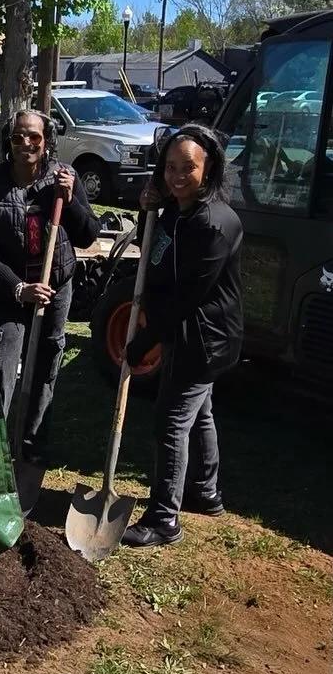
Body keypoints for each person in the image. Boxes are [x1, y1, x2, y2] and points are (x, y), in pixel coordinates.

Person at [122, 124, 243, 548]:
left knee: (171, 423)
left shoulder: (214, 224)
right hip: (191, 331)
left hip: (203, 338)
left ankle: (163, 520)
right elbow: (152, 248)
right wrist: (147, 210)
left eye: (187, 168)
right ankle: (205, 492)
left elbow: (186, 297)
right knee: (199, 411)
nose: (176, 176)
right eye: (169, 167)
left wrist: (144, 342)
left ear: (208, 170)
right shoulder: (178, 211)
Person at [0, 109, 100, 466]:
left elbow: (87, 235)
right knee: (0, 367)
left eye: (34, 137)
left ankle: (32, 445)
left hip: (55, 289)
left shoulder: (63, 178)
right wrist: (18, 287)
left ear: (47, 141)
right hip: (7, 293)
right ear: (9, 142)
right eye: (18, 137)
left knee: (45, 367)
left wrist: (70, 201)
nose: (26, 143)